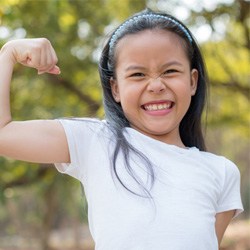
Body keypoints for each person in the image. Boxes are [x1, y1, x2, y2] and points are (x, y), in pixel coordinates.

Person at [0, 9, 244, 250]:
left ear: (192, 81)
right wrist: (8, 54)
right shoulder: (94, 141)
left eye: (170, 71)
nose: (156, 85)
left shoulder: (222, 173)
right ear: (115, 89)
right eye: (138, 74)